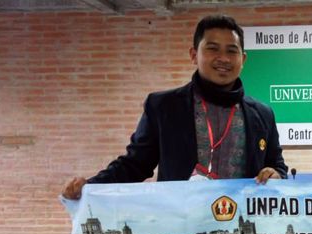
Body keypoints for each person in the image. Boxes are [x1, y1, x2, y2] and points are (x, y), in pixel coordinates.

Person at [62, 15, 287, 199]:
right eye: (212, 49)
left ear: (243, 59)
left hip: (242, 224)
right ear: (194, 55)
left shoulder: (262, 114)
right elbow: (135, 164)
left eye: (231, 50)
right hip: (181, 227)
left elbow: (277, 167)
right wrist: (91, 185)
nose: (223, 58)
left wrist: (275, 174)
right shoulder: (163, 107)